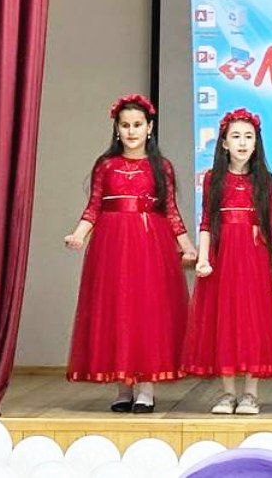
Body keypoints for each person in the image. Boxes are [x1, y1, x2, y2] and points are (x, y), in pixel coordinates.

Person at [65, 93, 195, 413]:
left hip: (150, 245)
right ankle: (123, 387)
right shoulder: (105, 165)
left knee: (147, 310)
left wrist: (187, 245)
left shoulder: (161, 166)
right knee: (118, 309)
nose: (132, 131)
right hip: (112, 245)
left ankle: (146, 388)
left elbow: (171, 211)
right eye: (125, 125)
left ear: (149, 127)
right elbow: (94, 206)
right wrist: (79, 234)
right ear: (117, 128)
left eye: (138, 125)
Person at [182, 108, 272, 415]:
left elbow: (271, 225)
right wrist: (204, 258)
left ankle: (251, 394)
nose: (242, 142)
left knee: (254, 321)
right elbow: (206, 222)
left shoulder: (264, 179)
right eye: (236, 136)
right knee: (225, 320)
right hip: (224, 256)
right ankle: (228, 393)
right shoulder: (213, 178)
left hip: (255, 257)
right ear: (224, 143)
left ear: (256, 143)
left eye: (248, 137)